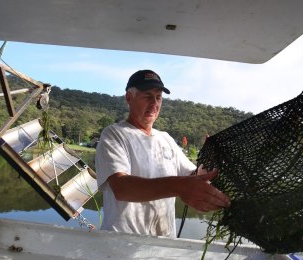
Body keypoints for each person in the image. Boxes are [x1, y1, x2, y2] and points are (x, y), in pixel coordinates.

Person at [95, 69, 230, 238]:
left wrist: (211, 161)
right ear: (129, 98)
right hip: (120, 242)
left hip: (163, 244)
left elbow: (193, 175)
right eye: (147, 96)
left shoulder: (165, 139)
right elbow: (121, 188)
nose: (154, 103)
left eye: (158, 97)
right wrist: (180, 186)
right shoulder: (114, 134)